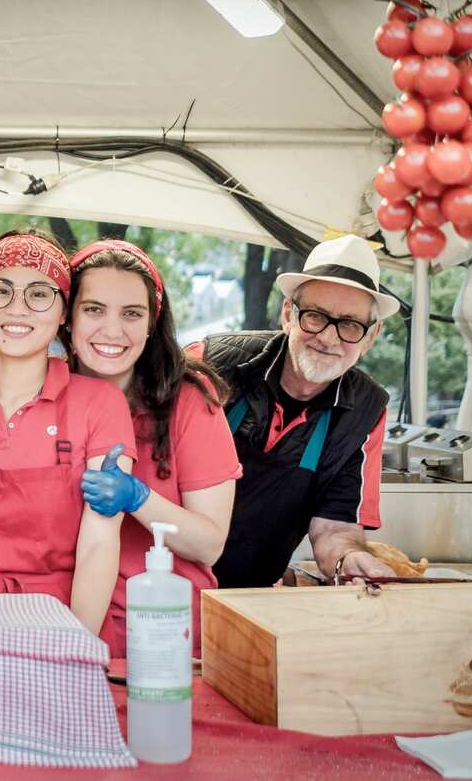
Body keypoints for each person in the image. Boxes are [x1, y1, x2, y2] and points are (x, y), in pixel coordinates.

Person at [0, 229, 135, 634]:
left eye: (39, 294)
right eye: (0, 290)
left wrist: (75, 647)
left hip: (59, 620)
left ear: (63, 313)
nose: (17, 308)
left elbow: (99, 543)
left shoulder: (100, 404)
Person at [64, 240, 240, 657]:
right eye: (93, 309)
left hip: (164, 630)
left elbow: (209, 544)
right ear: (67, 318)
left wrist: (137, 499)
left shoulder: (190, 400)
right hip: (71, 622)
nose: (112, 330)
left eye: (131, 314)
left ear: (151, 323)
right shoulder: (46, 393)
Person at [198, 234, 399, 587]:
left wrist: (351, 560)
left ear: (371, 337)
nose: (329, 338)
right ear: (289, 313)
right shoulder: (210, 362)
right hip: (162, 585)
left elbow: (335, 528)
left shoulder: (365, 412)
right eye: (315, 317)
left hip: (252, 596)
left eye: (350, 325)